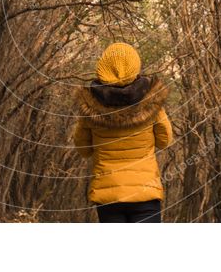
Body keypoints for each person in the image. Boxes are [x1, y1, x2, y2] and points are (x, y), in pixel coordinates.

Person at [73, 42, 173, 222]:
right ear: (135, 67)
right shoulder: (152, 103)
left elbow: (83, 150)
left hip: (108, 195)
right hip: (145, 192)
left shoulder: (89, 108)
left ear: (103, 68)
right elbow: (164, 140)